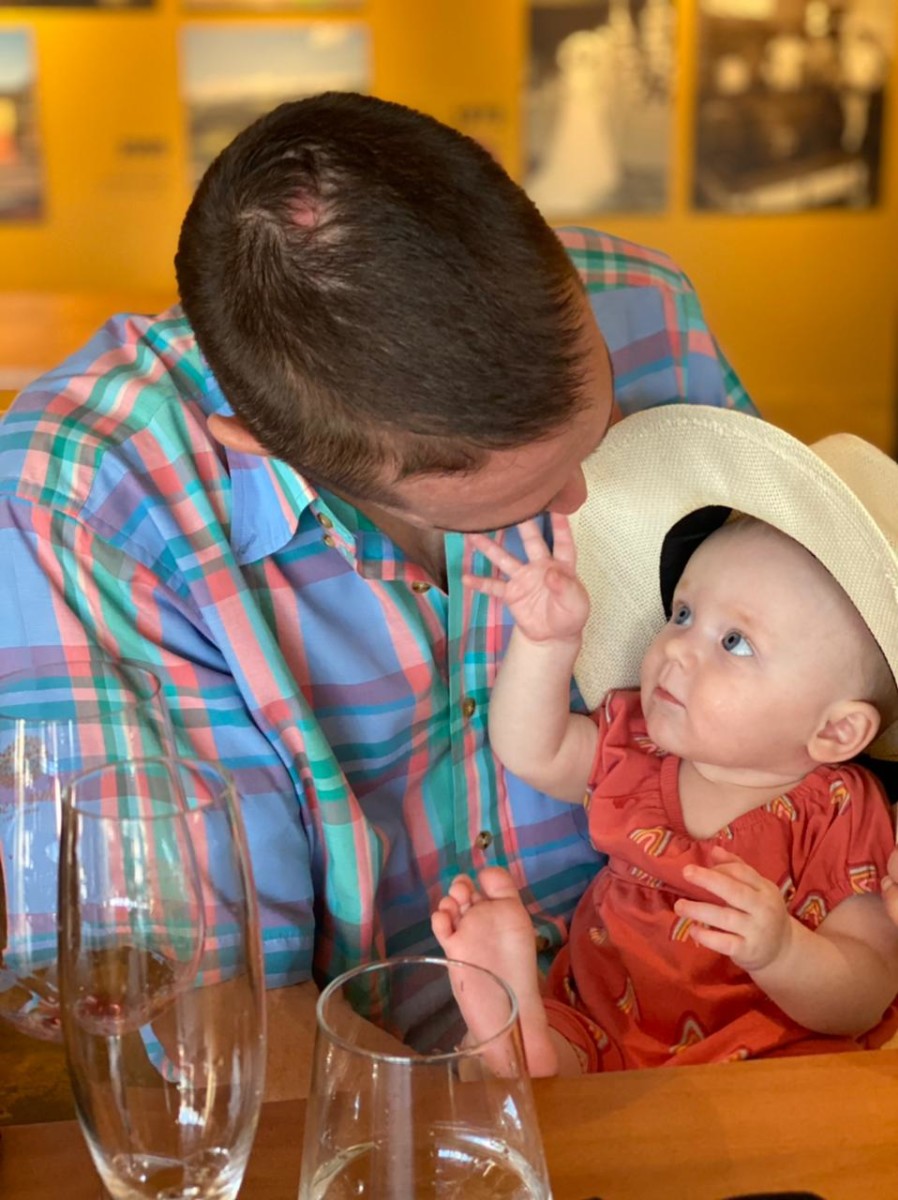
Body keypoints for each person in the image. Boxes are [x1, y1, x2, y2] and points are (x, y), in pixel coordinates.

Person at [0, 92, 755, 1005]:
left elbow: (805, 669)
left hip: (713, 996)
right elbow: (202, 1003)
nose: (580, 502)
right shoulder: (88, 499)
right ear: (271, 449)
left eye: (599, 432)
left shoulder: (647, 309)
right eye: (503, 507)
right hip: (365, 1083)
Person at [433, 405, 898, 1074]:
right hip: (602, 1017)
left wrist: (785, 953)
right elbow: (530, 750)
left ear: (836, 730)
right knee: (564, 1045)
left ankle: (526, 1056)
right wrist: (548, 643)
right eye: (682, 613)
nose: (677, 648)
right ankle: (520, 1040)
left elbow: (867, 983)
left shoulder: (844, 813)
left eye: (734, 642)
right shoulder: (640, 745)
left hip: (762, 1050)